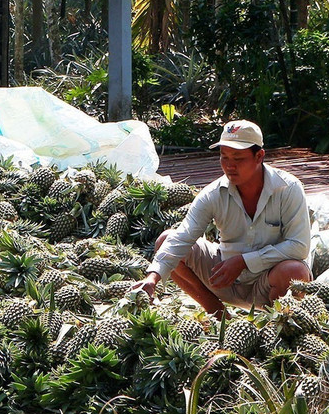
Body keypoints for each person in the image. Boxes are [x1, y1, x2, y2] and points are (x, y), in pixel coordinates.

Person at [133, 120, 311, 317]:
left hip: (269, 283)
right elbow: (183, 237)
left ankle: (279, 323)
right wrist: (152, 277)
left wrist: (244, 262)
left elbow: (299, 246)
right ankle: (218, 314)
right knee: (166, 240)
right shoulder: (213, 194)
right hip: (224, 280)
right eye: (223, 157)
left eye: (238, 158)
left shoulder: (288, 189)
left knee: (295, 271)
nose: (229, 166)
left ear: (259, 156)